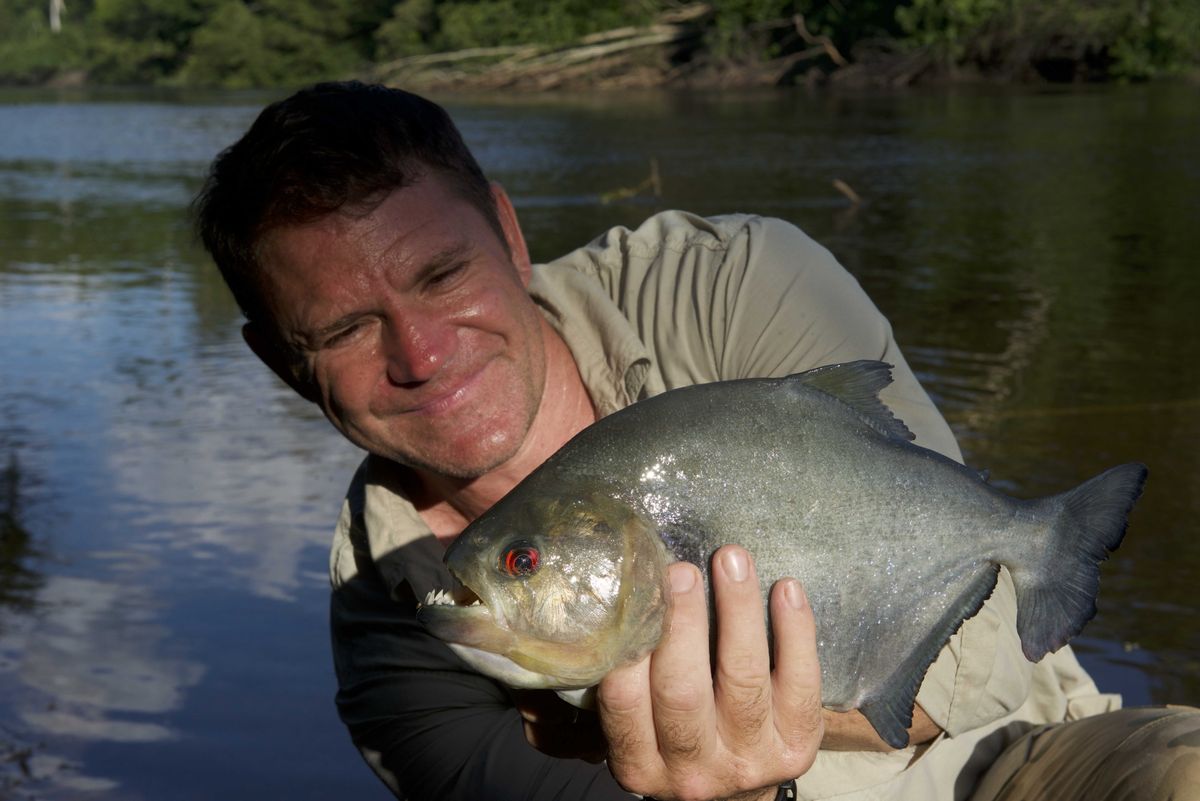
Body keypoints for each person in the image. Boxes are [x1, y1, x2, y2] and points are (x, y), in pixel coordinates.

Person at [193, 81, 1199, 801]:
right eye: (342, 330)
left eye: (440, 276)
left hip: (1020, 762)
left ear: (506, 229)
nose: (420, 352)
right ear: (283, 360)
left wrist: (780, 708)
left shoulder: (732, 286)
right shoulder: (397, 638)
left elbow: (1000, 660)